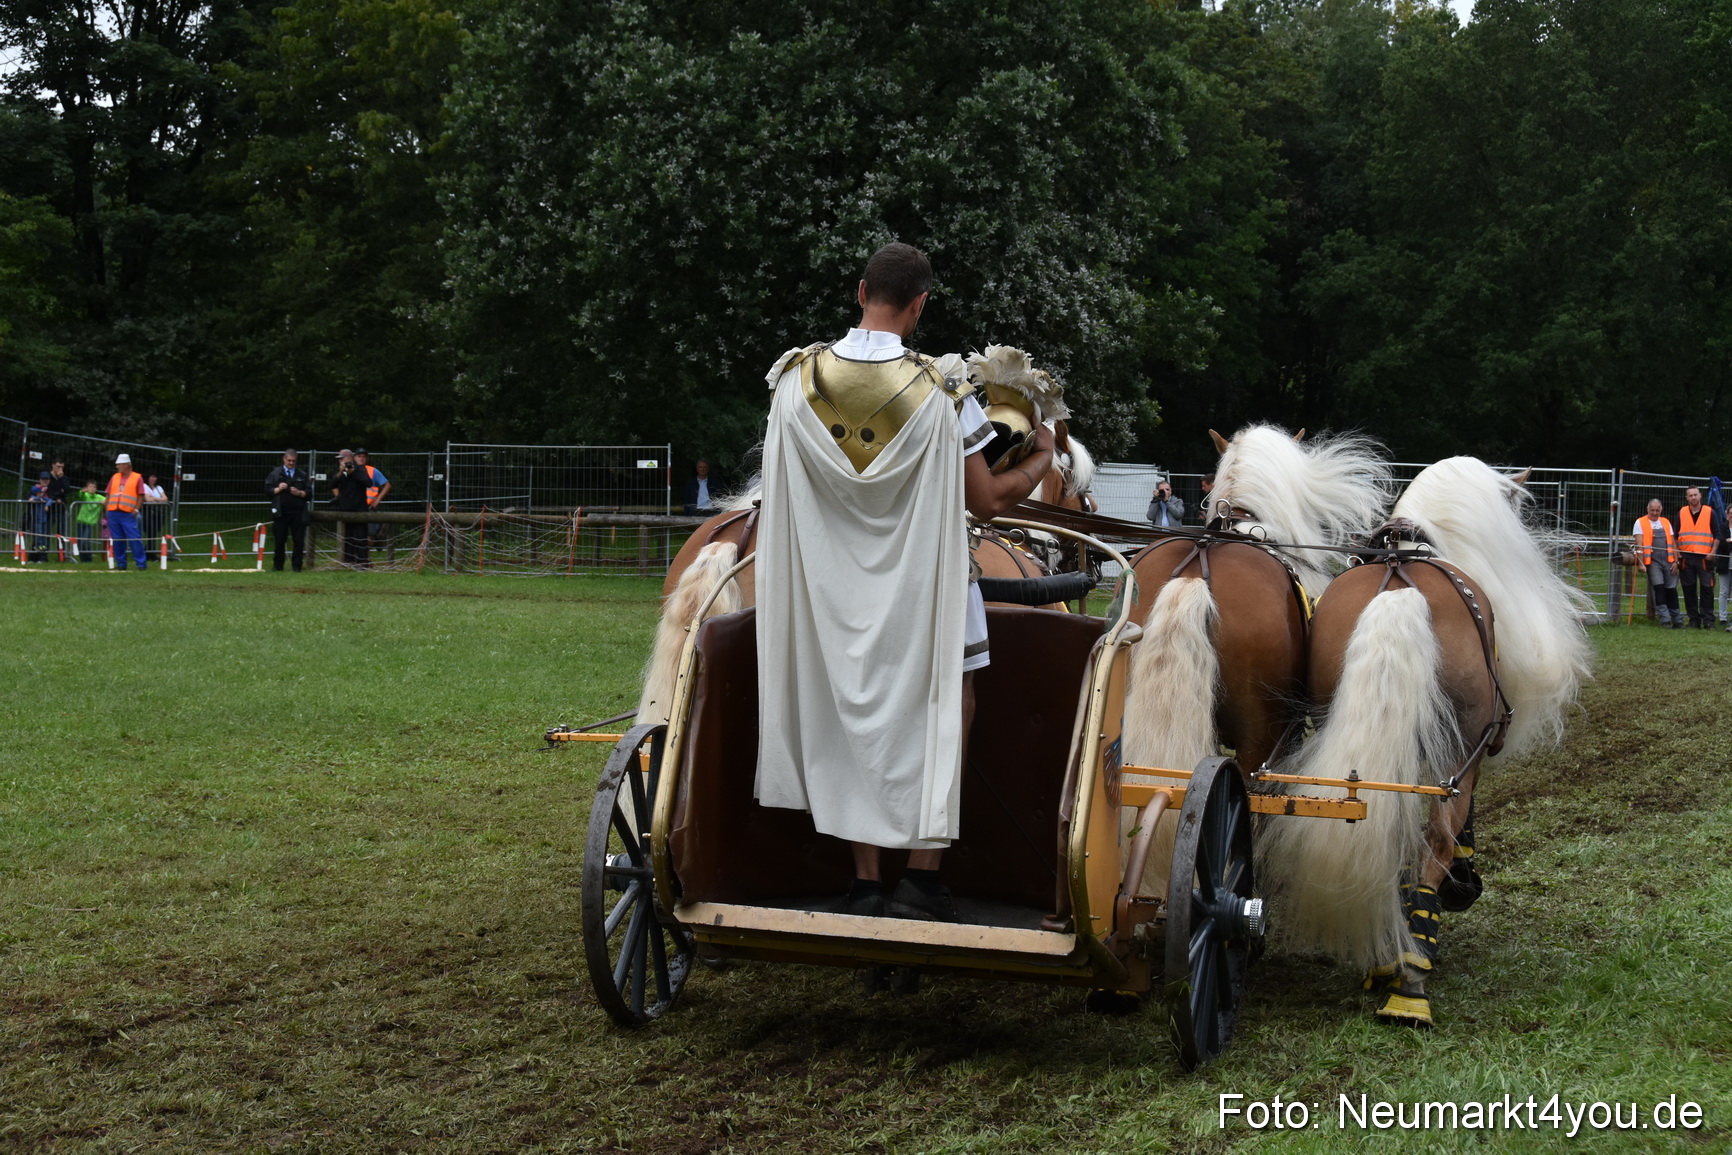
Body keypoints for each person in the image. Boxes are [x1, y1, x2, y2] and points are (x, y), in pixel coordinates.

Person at [754, 242, 1055, 923]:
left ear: (862, 291)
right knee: (953, 705)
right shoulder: (945, 391)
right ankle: (921, 876)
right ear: (919, 305)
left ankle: (865, 880)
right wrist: (1042, 456)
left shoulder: (794, 381)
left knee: (852, 718)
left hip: (831, 599)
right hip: (927, 597)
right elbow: (986, 501)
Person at [1633, 497, 1680, 628]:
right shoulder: (1640, 522)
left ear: (1661, 510)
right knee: (1659, 589)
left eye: (1657, 510)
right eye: (1652, 510)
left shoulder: (1666, 522)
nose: (1654, 513)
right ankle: (1665, 619)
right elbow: (1639, 545)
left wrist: (1676, 561)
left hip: (1669, 561)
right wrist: (1641, 563)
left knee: (1671, 590)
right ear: (1647, 509)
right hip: (1653, 562)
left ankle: (1677, 619)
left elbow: (1673, 543)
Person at [1675, 487, 1715, 629]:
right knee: (1689, 589)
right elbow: (1675, 535)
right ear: (1687, 498)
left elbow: (1717, 535)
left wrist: (1713, 552)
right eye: (1690, 495)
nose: (1693, 498)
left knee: (1707, 588)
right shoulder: (1682, 512)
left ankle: (1708, 620)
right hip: (1686, 557)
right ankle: (1694, 620)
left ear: (1700, 496)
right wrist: (1677, 552)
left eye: (1695, 495)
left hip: (1705, 557)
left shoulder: (1710, 512)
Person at [266, 449, 312, 571]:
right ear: (284, 459)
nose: (291, 463)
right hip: (281, 512)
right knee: (280, 539)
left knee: (298, 540)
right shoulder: (275, 474)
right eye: (289, 460)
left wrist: (300, 493)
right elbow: (268, 491)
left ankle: (297, 567)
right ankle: (277, 566)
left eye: (293, 461)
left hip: (298, 513)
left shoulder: (302, 475)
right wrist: (278, 489)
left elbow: (309, 494)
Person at [105, 453, 148, 571]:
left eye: (119, 465)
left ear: (126, 465)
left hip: (128, 513)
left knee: (134, 539)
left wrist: (135, 510)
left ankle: (141, 564)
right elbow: (108, 494)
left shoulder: (137, 477)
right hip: (113, 512)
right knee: (117, 539)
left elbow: (141, 496)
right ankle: (121, 564)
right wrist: (107, 510)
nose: (117, 467)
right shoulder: (115, 477)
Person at [330, 448, 371, 566]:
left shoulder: (359, 469)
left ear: (349, 458)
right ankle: (348, 562)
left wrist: (353, 472)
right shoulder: (341, 472)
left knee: (360, 538)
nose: (341, 461)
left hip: (360, 510)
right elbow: (332, 484)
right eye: (339, 460)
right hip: (345, 509)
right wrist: (340, 472)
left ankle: (362, 563)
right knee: (347, 538)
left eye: (343, 459)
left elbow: (368, 483)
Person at [355, 449, 391, 548]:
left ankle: (366, 558)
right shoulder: (350, 470)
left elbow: (387, 485)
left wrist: (377, 501)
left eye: (363, 456)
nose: (361, 458)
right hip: (355, 507)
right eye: (359, 456)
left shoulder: (372, 471)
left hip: (369, 507)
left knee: (370, 534)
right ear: (354, 458)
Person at [140, 473, 170, 560]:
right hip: (148, 513)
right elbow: (147, 499)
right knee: (151, 533)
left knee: (154, 534)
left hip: (158, 514)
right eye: (151, 476)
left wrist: (153, 498)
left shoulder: (158, 488)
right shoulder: (144, 486)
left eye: (155, 477)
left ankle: (148, 552)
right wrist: (159, 499)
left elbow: (165, 499)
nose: (153, 479)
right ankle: (150, 553)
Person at [72, 480, 103, 561]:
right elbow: (80, 495)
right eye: (90, 487)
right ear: (87, 488)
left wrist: (105, 502)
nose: (92, 488)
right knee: (80, 541)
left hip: (90, 522)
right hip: (81, 521)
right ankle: (83, 558)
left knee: (85, 540)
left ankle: (88, 558)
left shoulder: (99, 497)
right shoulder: (85, 495)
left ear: (96, 489)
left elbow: (108, 501)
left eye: (94, 487)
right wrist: (82, 492)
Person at [26, 471, 52, 561]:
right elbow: (29, 498)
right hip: (36, 517)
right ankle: (33, 558)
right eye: (43, 479)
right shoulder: (35, 488)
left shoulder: (50, 489)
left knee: (45, 537)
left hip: (46, 517)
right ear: (40, 480)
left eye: (47, 479)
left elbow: (50, 499)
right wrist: (35, 499)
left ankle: (43, 558)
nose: (45, 480)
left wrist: (46, 505)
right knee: (37, 537)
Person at [45, 460, 71, 546]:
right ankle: (44, 553)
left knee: (62, 532)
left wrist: (62, 478)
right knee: (46, 531)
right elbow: (48, 490)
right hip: (49, 508)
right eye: (58, 466)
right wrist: (59, 493)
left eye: (62, 467)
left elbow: (66, 490)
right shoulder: (47, 477)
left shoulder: (64, 478)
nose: (60, 469)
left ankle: (62, 555)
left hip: (61, 508)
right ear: (53, 465)